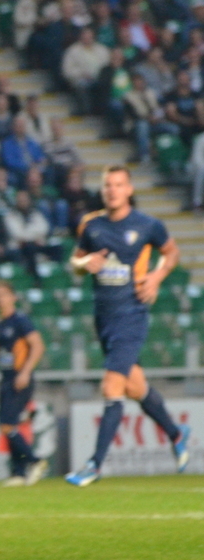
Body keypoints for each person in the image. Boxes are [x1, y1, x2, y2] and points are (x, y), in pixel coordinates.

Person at [66, 166, 190, 486]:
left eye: (118, 185)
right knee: (135, 387)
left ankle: (94, 464)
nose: (112, 190)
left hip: (132, 316)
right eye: (107, 185)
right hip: (103, 319)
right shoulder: (91, 226)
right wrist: (84, 263)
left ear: (129, 189)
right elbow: (75, 261)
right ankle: (177, 433)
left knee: (112, 388)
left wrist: (158, 276)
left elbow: (172, 252)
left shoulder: (147, 225)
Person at [0, 280, 47, 486]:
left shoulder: (21, 320)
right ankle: (18, 473)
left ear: (13, 297)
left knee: (6, 425)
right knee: (8, 424)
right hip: (6, 379)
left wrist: (26, 372)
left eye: (3, 294)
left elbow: (38, 346)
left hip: (19, 378)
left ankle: (34, 461)